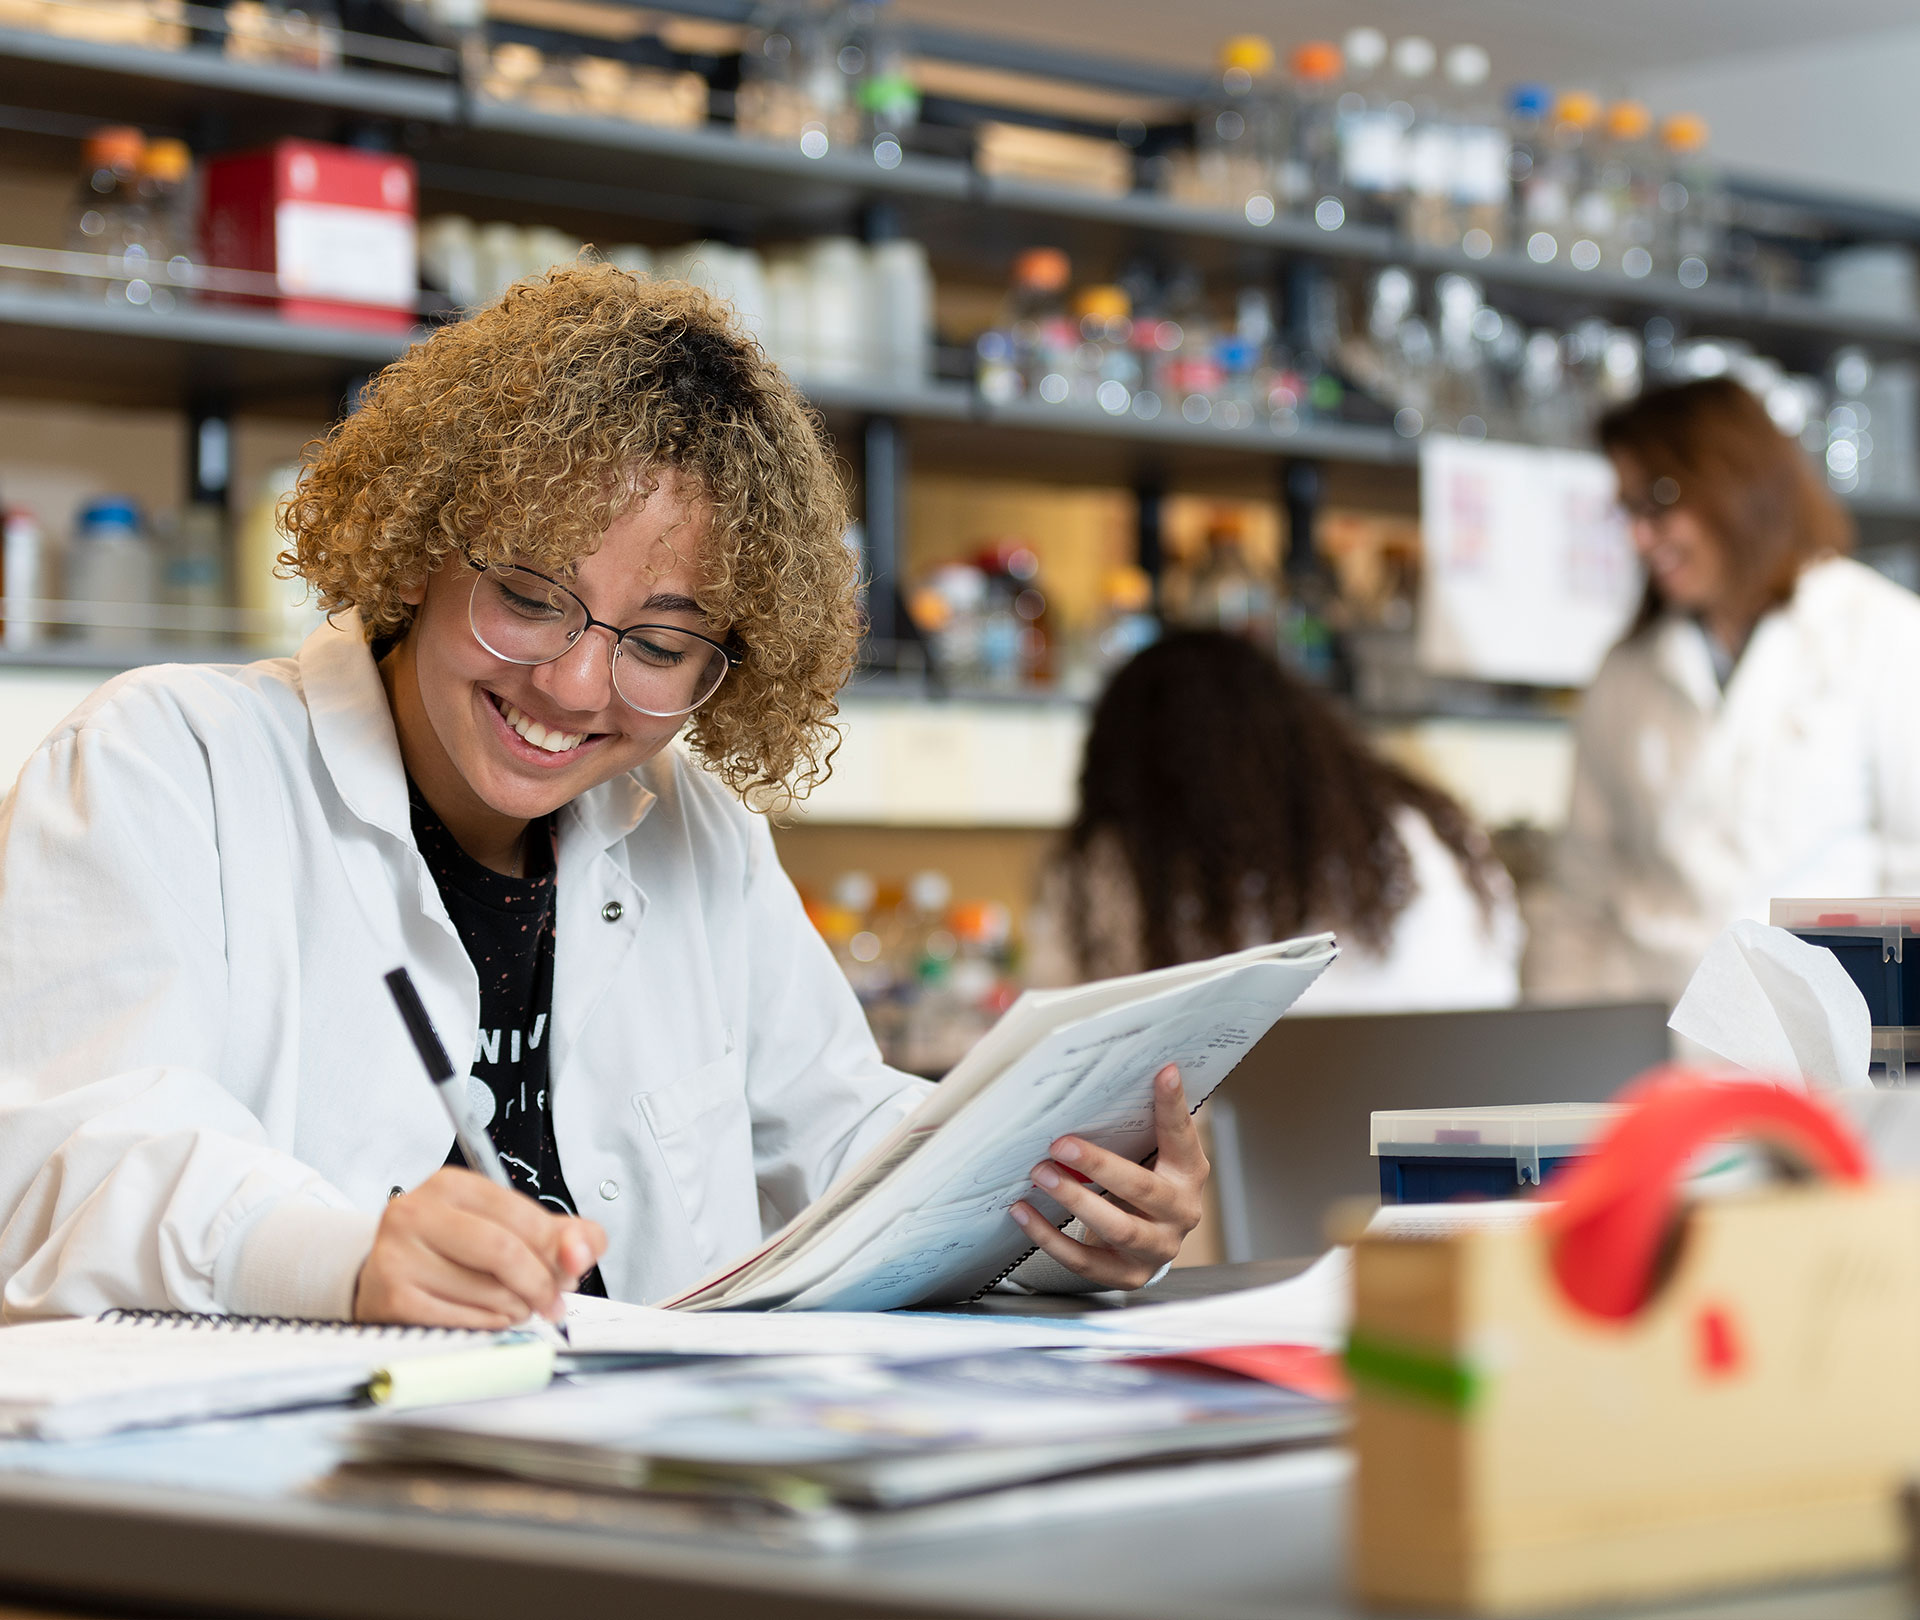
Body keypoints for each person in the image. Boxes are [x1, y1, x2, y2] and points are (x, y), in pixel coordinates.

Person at [0, 267, 1207, 1327]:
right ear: (426, 545)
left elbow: (856, 1155)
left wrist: (1068, 1223)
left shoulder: (698, 836)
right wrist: (346, 1256)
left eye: (662, 643)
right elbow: (69, 1163)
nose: (577, 684)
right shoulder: (166, 762)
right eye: (528, 595)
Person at [1525, 376, 1920, 1004]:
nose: (1639, 538)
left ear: (1739, 482)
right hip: (1649, 1051)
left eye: (1658, 502)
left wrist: (1884, 1086)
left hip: (1827, 1066)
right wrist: (1558, 1067)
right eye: (1628, 511)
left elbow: (1913, 871)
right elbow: (1579, 894)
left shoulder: (1882, 635)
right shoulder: (1626, 674)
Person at [1024, 629, 1522, 1011]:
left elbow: (1058, 1039)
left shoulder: (1137, 873)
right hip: (1471, 1128)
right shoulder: (1423, 829)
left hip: (1274, 1140)